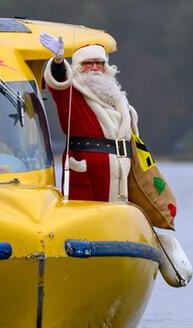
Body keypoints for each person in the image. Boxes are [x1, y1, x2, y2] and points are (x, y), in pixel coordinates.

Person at [39, 33, 137, 202]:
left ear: (105, 67)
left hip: (119, 174)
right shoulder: (72, 94)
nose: (94, 67)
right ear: (78, 68)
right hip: (86, 175)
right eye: (88, 63)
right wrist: (58, 62)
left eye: (98, 63)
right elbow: (58, 84)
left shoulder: (117, 97)